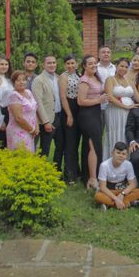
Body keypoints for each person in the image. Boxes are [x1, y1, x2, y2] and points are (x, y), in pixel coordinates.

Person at [78, 55, 109, 190]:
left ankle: (88, 176)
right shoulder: (84, 80)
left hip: (95, 113)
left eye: (94, 63)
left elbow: (100, 91)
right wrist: (98, 100)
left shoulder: (96, 77)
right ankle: (92, 178)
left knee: (90, 145)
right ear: (84, 66)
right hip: (87, 115)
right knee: (93, 145)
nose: (93, 65)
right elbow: (80, 101)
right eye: (90, 64)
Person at [103, 58, 139, 159]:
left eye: (126, 67)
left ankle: (127, 162)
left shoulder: (129, 81)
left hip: (129, 113)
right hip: (115, 112)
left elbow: (138, 97)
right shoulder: (110, 79)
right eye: (121, 66)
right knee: (116, 133)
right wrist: (125, 106)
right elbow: (110, 97)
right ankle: (114, 160)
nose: (123, 68)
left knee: (126, 133)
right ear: (116, 66)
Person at [32, 55, 64, 164]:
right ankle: (43, 172)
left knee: (60, 146)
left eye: (54, 62)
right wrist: (46, 122)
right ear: (43, 65)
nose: (52, 65)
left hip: (59, 116)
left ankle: (57, 170)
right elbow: (38, 102)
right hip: (47, 119)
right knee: (45, 149)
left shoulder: (58, 78)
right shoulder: (38, 80)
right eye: (49, 63)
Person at [95, 142, 139, 210]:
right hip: (109, 191)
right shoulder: (104, 165)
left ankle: (110, 205)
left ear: (126, 156)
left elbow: (133, 184)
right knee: (98, 196)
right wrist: (115, 198)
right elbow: (102, 187)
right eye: (118, 153)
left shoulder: (128, 164)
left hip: (122, 190)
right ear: (112, 153)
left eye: (123, 154)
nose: (120, 156)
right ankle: (127, 203)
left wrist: (122, 194)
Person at [58, 54, 81, 184]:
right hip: (69, 107)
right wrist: (69, 115)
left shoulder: (78, 75)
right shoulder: (64, 76)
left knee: (76, 142)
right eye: (68, 64)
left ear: (76, 64)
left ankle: (76, 170)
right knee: (70, 143)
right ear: (64, 65)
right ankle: (69, 174)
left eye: (73, 63)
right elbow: (62, 96)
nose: (71, 66)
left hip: (78, 108)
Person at [7, 70, 39, 152]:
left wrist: (36, 127)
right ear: (13, 82)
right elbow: (18, 118)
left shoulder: (28, 92)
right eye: (18, 80)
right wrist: (31, 130)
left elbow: (34, 111)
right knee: (22, 155)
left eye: (23, 80)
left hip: (31, 131)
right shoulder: (14, 95)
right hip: (19, 131)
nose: (21, 82)